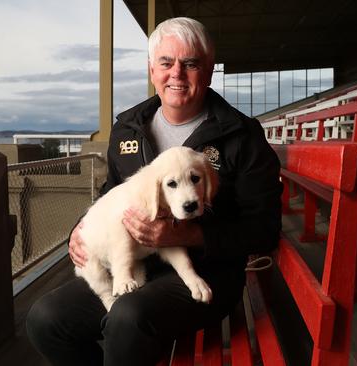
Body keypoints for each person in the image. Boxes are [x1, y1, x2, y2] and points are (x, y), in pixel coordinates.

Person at [26, 17, 282, 366]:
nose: (176, 74)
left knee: (127, 317)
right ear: (152, 70)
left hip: (208, 272)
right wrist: (79, 230)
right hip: (134, 263)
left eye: (190, 63)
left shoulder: (242, 135)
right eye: (166, 62)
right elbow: (112, 194)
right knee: (45, 320)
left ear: (207, 71)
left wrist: (192, 236)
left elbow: (264, 230)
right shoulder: (128, 128)